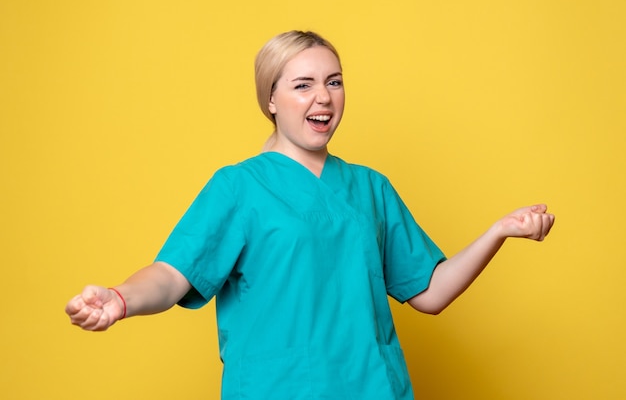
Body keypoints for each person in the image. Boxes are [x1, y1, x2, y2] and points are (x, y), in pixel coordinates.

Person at [65, 30, 555, 399]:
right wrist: (120, 298)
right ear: (271, 100)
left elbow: (429, 291)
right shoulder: (240, 186)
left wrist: (499, 231)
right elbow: (173, 276)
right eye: (304, 85)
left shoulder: (369, 187)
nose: (323, 97)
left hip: (373, 387)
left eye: (334, 82)